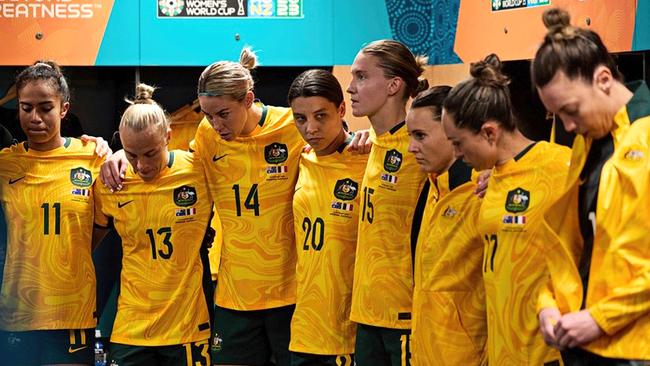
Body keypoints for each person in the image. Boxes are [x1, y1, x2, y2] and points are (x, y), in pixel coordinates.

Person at [532, 8, 650, 364]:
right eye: (558, 115)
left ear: (602, 79)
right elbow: (573, 245)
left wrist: (601, 317)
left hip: (634, 349)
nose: (567, 126)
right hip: (582, 343)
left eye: (572, 110)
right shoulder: (588, 143)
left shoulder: (645, 139)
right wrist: (547, 305)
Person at [441, 53, 571, 366]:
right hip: (501, 353)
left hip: (548, 353)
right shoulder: (488, 178)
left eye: (458, 143)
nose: (456, 154)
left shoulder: (561, 166)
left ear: (489, 133)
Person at [93, 84, 213, 366]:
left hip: (186, 324)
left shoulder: (199, 170)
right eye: (132, 154)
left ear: (168, 137)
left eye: (150, 153)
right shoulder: (112, 182)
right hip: (131, 326)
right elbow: (89, 242)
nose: (142, 165)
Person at [0, 61, 108, 365]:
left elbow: (99, 228)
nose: (35, 117)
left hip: (71, 311)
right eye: (26, 107)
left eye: (45, 107)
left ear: (63, 109)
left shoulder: (92, 157)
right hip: (17, 311)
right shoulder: (5, 164)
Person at [347, 39, 429, 366]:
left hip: (406, 316)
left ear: (394, 85)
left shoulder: (419, 149)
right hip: (366, 312)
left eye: (362, 77)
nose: (350, 87)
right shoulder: (371, 145)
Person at [287, 69, 368, 366]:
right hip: (304, 329)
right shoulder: (301, 157)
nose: (311, 128)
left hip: (349, 331)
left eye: (321, 116)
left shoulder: (367, 158)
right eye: (301, 119)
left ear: (342, 109)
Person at [406, 86, 487, 366]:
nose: (411, 147)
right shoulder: (430, 187)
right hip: (424, 353)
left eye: (420, 136)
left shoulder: (482, 191)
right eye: (410, 136)